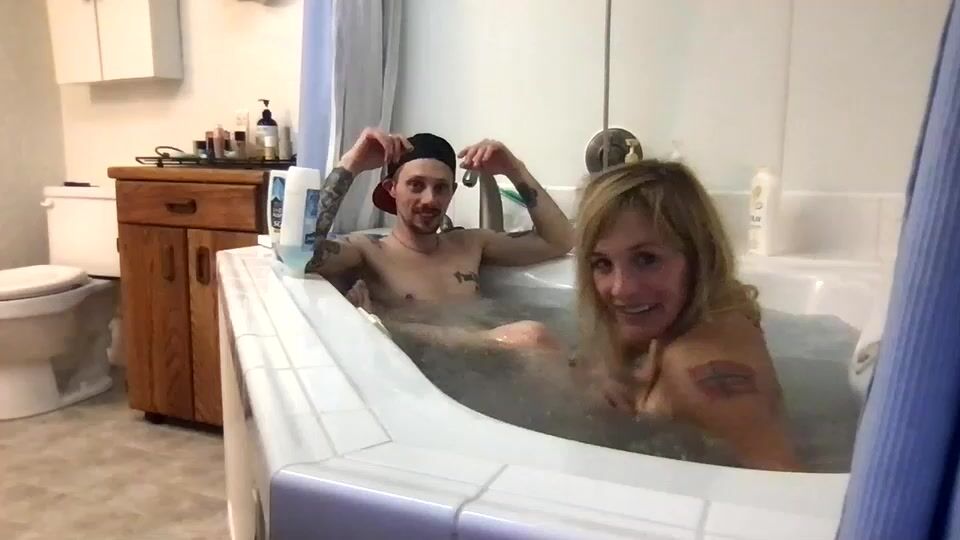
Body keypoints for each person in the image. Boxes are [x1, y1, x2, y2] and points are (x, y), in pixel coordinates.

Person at [575, 160, 799, 471]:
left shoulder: (694, 367)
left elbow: (783, 485)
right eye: (602, 263)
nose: (621, 288)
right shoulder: (688, 315)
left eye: (646, 259)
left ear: (699, 257)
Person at [304, 128, 574, 351]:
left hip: (482, 369)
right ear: (392, 189)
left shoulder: (470, 244)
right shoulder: (369, 251)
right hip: (420, 371)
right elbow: (300, 251)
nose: (430, 199)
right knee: (532, 336)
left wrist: (514, 168)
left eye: (441, 188)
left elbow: (560, 240)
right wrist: (351, 163)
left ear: (452, 192)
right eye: (416, 185)